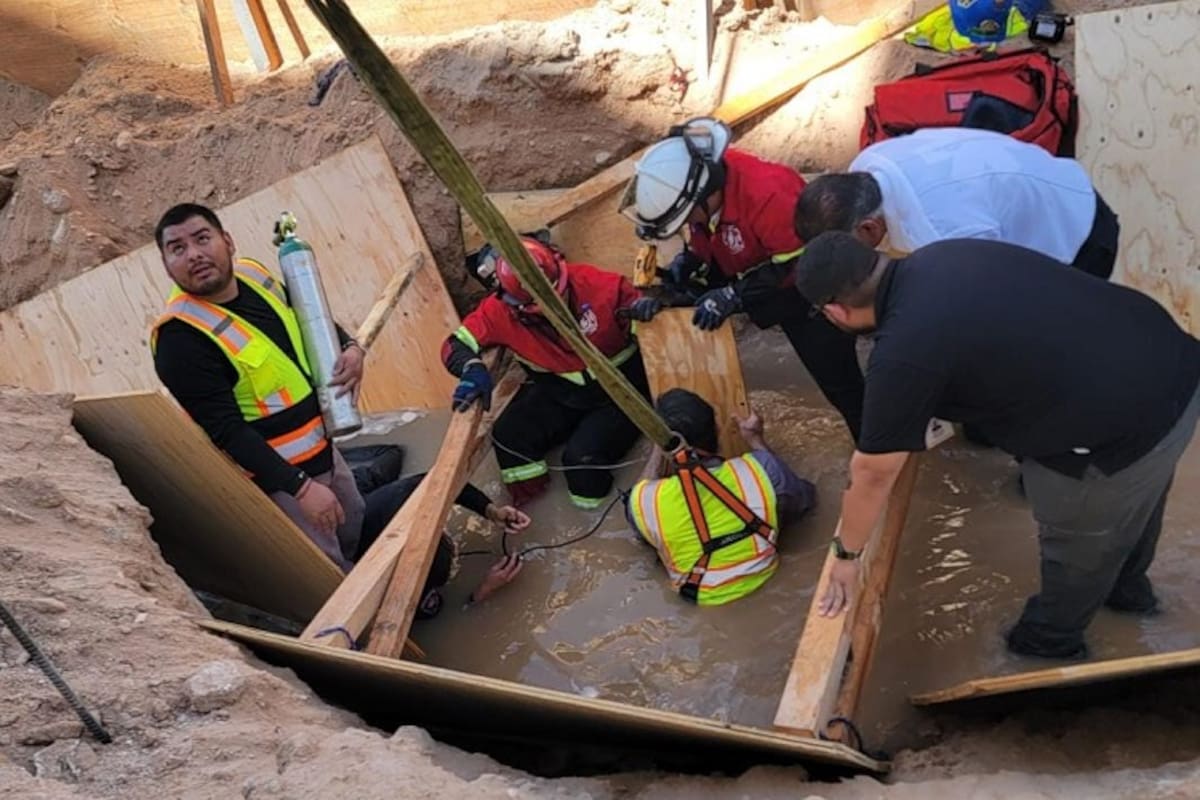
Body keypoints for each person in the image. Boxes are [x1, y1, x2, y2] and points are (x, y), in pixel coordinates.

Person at [791, 231, 1200, 659]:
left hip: (1118, 428)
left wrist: (846, 555)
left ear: (836, 310)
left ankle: (1049, 648)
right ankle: (1133, 602)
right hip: (1172, 367)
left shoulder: (902, 353)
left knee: (1079, 546)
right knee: (1135, 503)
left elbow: (872, 473)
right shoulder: (944, 254)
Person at [620, 116, 866, 441]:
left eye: (685, 219)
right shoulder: (703, 191)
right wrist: (691, 260)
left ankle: (873, 446)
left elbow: (799, 262)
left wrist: (734, 295)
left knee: (839, 380)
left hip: (811, 289)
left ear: (704, 197)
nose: (686, 225)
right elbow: (708, 234)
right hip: (761, 271)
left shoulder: (770, 195)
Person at [151, 203, 368, 570]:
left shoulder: (254, 275)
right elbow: (226, 431)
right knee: (328, 569)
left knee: (356, 521)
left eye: (202, 239)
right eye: (178, 248)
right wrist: (300, 487)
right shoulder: (180, 338)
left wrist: (350, 346)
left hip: (326, 450)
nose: (195, 255)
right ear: (166, 264)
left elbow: (307, 314)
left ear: (228, 241)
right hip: (281, 484)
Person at [441, 236, 657, 510]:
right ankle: (530, 510)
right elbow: (454, 345)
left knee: (582, 462)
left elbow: (658, 335)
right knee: (509, 438)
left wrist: (650, 312)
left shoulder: (603, 287)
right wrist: (471, 368)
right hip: (559, 392)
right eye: (537, 308)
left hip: (621, 392)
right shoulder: (499, 312)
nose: (551, 309)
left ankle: (595, 519)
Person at [794, 127, 1121, 279]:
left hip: (1079, 231)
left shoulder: (942, 228)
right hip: (1038, 180)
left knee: (1057, 345)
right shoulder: (868, 164)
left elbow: (999, 294)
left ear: (869, 226)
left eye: (851, 248)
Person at [626, 389, 816, 605]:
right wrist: (756, 440)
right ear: (717, 428)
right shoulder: (761, 470)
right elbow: (805, 501)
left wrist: (658, 450)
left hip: (701, 602)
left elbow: (641, 537)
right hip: (769, 582)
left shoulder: (644, 502)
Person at [356, 473, 531, 616]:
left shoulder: (399, 496)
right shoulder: (410, 581)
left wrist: (492, 512)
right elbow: (446, 617)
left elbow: (449, 483)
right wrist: (484, 591)